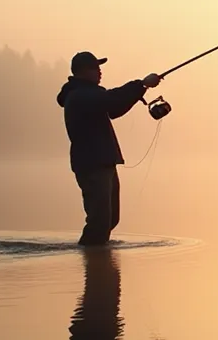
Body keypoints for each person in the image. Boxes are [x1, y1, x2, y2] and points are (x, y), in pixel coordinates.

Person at [56, 51, 162, 246]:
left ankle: (99, 264)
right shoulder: (79, 94)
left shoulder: (88, 94)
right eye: (95, 68)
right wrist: (142, 84)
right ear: (82, 71)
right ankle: (90, 257)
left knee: (110, 218)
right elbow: (111, 100)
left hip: (103, 162)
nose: (100, 72)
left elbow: (114, 109)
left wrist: (142, 89)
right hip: (92, 165)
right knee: (100, 221)